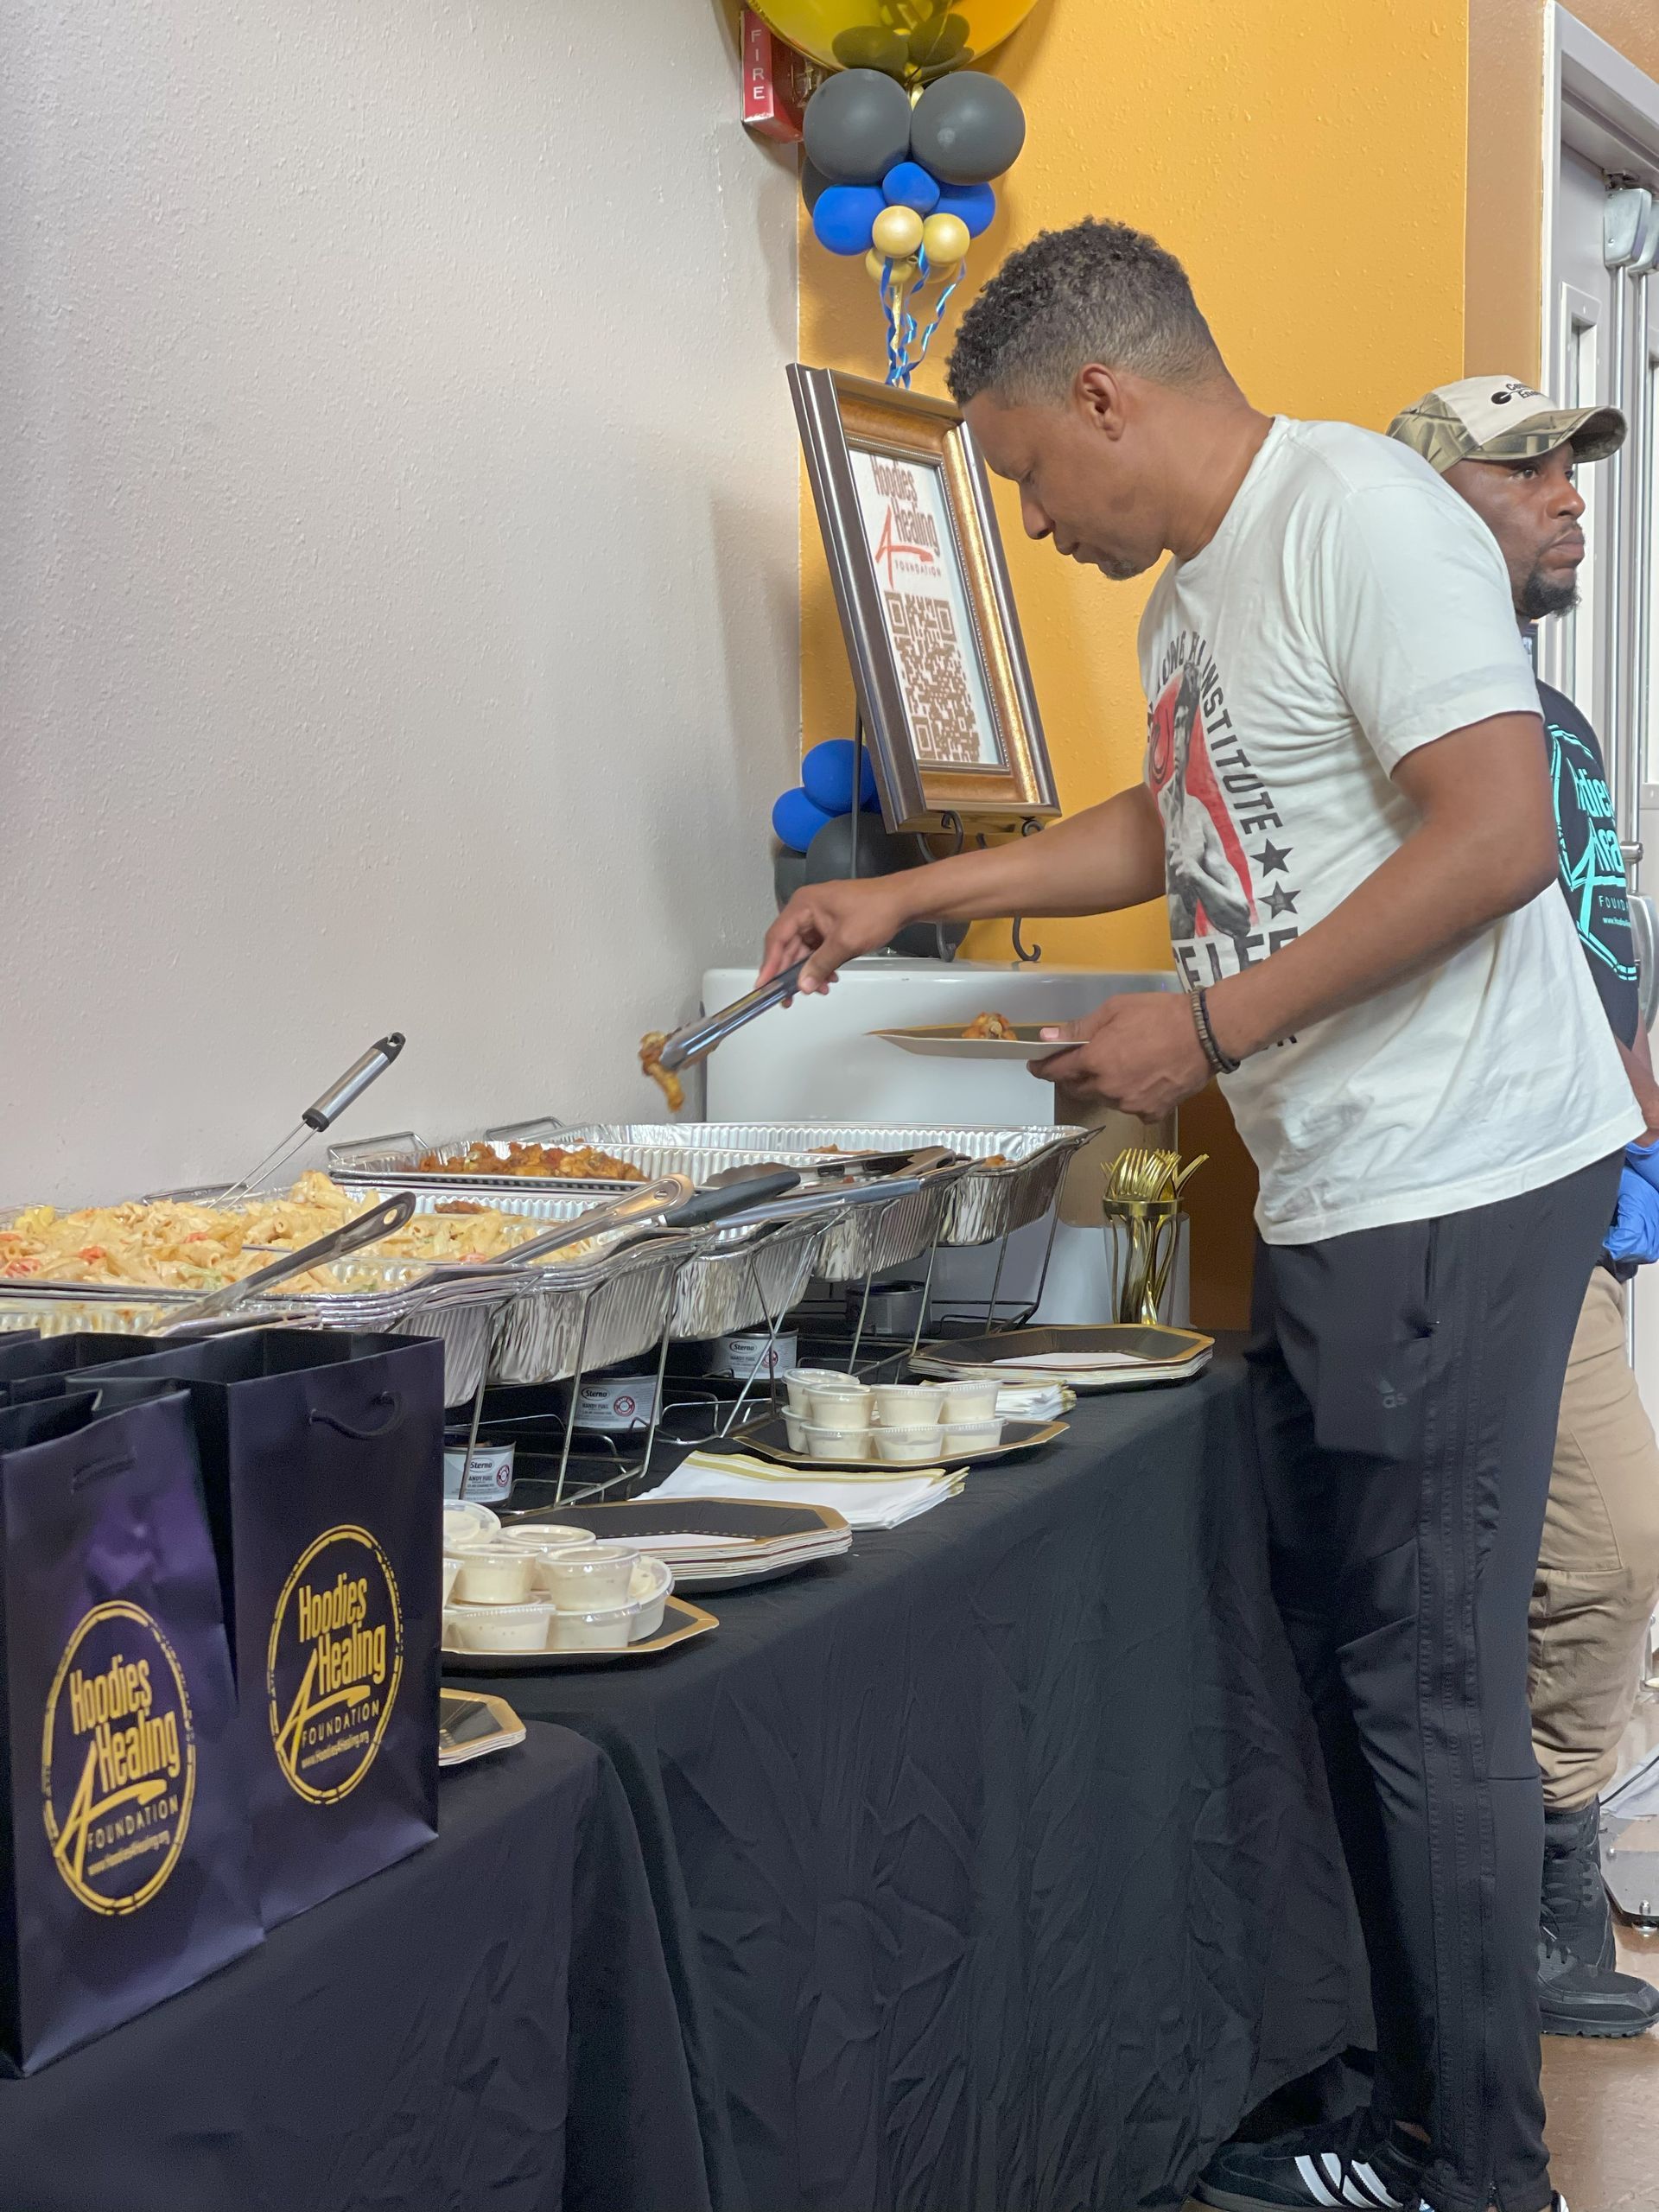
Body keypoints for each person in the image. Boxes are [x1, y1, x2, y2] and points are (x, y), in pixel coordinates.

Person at [758, 218, 1640, 2212]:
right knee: (1341, 1654)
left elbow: (1500, 831)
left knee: (1427, 1683)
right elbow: (1174, 822)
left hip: (1460, 1171)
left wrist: (1210, 1023)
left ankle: (1475, 2171)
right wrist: (904, 900)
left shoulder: (1369, 518)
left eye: (1027, 472)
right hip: (1347, 1176)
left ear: (1105, 399)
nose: (1034, 516)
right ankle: (1380, 2097)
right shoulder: (1194, 602)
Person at [1389, 376, 1659, 2039]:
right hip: (1481, 1194)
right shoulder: (1413, 715)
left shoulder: (1546, 718)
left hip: (1593, 1188)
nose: (1570, 495)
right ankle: (1553, 1863)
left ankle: (1543, 1874)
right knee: (1600, 1543)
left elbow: (1598, 916)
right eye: (1527, 467)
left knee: (1582, 1553)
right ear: (1433, 506)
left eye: (1574, 468)